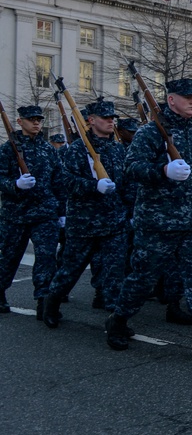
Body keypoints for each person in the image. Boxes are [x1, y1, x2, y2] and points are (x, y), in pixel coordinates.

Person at [103, 78, 192, 362]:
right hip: (158, 222)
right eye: (186, 97)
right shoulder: (150, 133)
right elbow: (130, 169)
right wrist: (163, 170)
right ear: (171, 100)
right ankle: (119, 319)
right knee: (143, 278)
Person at [41, 100, 129, 327]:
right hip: (84, 222)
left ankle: (116, 321)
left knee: (114, 273)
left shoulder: (117, 148)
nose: (111, 121)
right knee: (70, 269)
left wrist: (130, 209)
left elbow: (127, 182)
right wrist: (93, 186)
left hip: (114, 221)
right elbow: (65, 182)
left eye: (112, 118)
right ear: (91, 120)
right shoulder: (77, 150)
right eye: (105, 118)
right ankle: (51, 304)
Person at [0, 105, 63, 318]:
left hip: (45, 214)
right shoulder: (8, 148)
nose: (36, 122)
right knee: (9, 258)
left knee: (46, 258)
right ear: (20, 122)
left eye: (39, 119)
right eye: (31, 119)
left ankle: (43, 302)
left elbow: (58, 181)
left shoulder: (48, 149)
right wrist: (15, 184)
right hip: (15, 215)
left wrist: (61, 211)